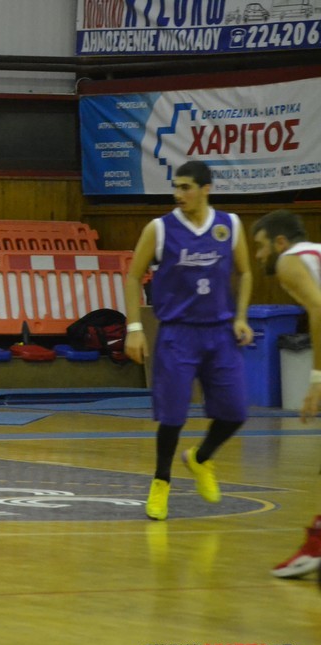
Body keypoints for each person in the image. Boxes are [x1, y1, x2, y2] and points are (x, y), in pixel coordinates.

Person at [123, 160, 253, 521]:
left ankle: (200, 458)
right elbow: (133, 277)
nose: (178, 194)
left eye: (185, 187)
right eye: (175, 187)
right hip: (178, 332)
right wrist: (134, 328)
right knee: (172, 417)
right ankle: (161, 482)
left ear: (205, 189)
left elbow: (245, 272)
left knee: (235, 412)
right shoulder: (160, 229)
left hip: (220, 332)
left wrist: (241, 316)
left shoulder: (230, 225)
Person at [251, 209, 321, 579]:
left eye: (261, 246)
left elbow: (319, 309)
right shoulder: (314, 254)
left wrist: (317, 379)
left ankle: (317, 544)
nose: (258, 255)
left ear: (280, 242)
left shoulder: (289, 262)